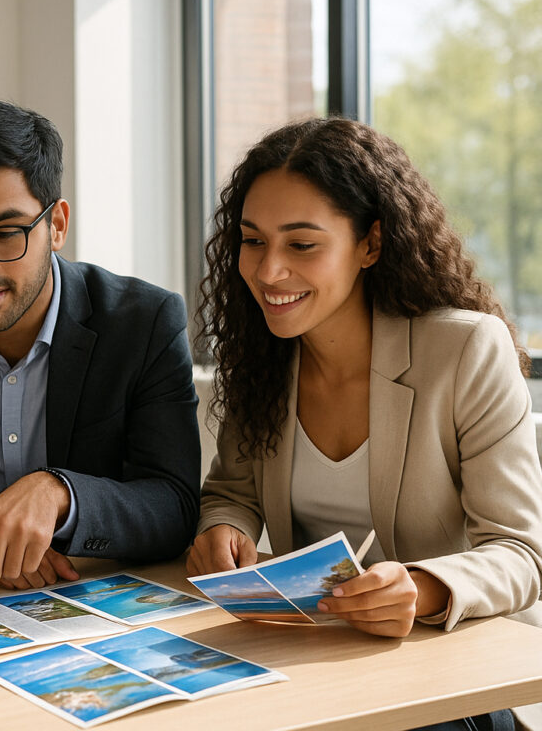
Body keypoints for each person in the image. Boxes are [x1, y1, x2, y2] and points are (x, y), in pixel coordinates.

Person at [188, 117, 542, 644]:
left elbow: (520, 554)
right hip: (304, 649)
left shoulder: (467, 350)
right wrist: (225, 528)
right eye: (253, 240)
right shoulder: (264, 354)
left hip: (445, 668)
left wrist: (423, 587)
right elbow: (233, 491)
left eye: (302, 245)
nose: (267, 271)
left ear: (370, 244)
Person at [0, 99, 201, 608]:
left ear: (56, 224)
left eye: (6, 233)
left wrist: (60, 493)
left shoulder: (144, 321)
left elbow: (175, 504)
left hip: (101, 601)